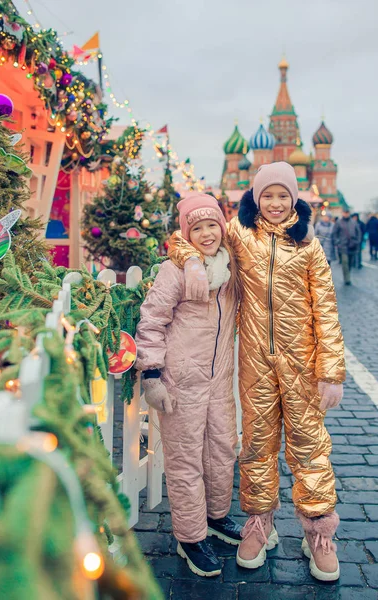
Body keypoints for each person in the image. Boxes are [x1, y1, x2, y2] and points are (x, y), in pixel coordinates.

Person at [168, 162, 345, 582]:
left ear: (295, 199)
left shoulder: (309, 246)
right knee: (258, 446)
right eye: (269, 196)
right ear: (256, 198)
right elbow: (193, 234)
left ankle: (318, 532)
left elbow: (327, 309)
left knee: (309, 446)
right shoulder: (240, 236)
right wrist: (190, 260)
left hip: (302, 364)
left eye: (283, 196)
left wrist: (331, 372)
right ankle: (260, 522)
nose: (276, 203)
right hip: (256, 364)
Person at [135, 194, 242, 578]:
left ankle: (216, 517)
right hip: (182, 382)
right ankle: (191, 537)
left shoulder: (230, 270)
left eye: (212, 225)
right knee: (185, 461)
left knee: (221, 452)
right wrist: (151, 374)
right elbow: (151, 322)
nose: (207, 233)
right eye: (196, 228)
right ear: (186, 234)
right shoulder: (175, 270)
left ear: (222, 227)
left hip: (218, 382)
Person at [332, 209, 361, 285]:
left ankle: (348, 274)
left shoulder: (354, 222)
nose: (346, 214)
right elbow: (335, 233)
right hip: (343, 246)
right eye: (345, 212)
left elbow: (358, 232)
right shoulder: (339, 222)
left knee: (350, 263)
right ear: (342, 213)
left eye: (347, 213)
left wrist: (357, 241)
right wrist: (337, 242)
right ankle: (347, 278)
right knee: (345, 262)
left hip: (352, 246)